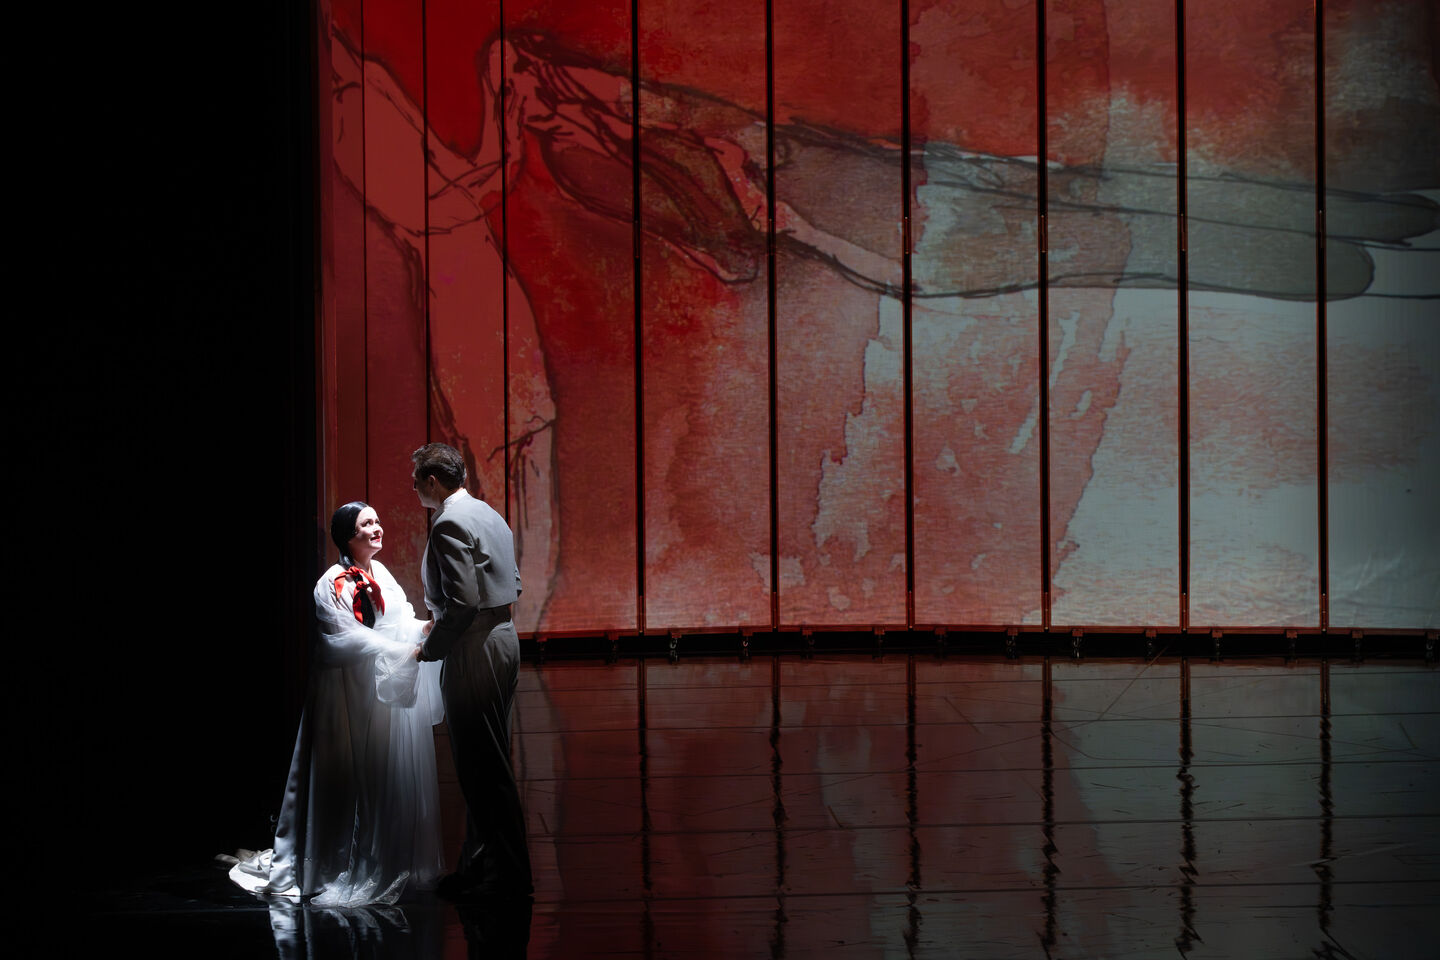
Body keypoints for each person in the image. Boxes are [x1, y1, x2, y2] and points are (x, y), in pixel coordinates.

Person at [227, 502, 446, 906]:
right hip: (346, 691)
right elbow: (343, 638)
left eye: (378, 520)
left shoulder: (381, 573)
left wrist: (422, 630)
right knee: (344, 776)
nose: (377, 528)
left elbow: (399, 619)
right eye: (367, 523)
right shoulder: (331, 582)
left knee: (378, 774)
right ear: (349, 535)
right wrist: (402, 652)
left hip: (380, 689)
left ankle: (381, 853)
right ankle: (335, 860)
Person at [411, 442, 532, 897]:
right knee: (488, 758)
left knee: (481, 764)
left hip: (475, 645)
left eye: (416, 481)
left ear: (432, 481)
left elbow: (462, 603)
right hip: (502, 637)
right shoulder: (486, 512)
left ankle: (506, 874)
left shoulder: (449, 522)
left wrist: (431, 648)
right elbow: (512, 580)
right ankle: (482, 867)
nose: (414, 489)